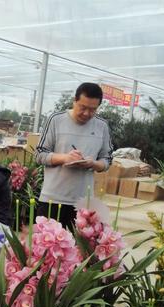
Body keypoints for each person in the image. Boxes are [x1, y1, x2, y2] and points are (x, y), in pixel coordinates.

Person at [34, 82, 113, 228]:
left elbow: (107, 159)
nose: (87, 113)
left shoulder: (102, 126)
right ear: (74, 101)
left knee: (78, 249)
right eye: (82, 107)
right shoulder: (55, 120)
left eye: (92, 110)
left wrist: (93, 164)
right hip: (52, 200)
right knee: (46, 248)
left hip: (84, 204)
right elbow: (39, 154)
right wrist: (65, 158)